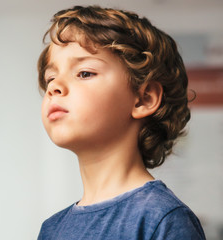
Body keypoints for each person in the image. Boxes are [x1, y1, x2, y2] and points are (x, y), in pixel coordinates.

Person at [37, 5, 206, 240]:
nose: (54, 87)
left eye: (84, 73)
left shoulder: (161, 218)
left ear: (143, 99)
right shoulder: (51, 229)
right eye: (50, 78)